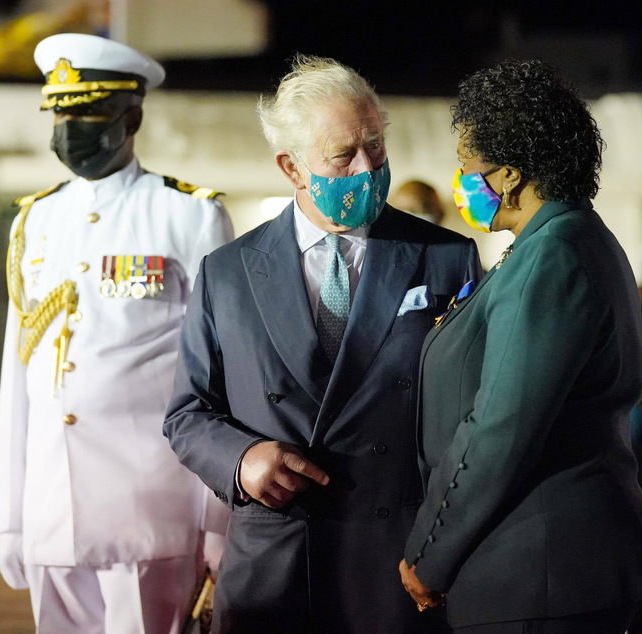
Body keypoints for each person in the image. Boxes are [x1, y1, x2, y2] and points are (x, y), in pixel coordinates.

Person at [163, 54, 481, 633]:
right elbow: (188, 413)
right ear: (291, 167)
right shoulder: (227, 273)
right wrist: (241, 461)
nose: (368, 168)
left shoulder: (446, 257)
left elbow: (474, 413)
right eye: (343, 155)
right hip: (275, 566)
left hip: (397, 565)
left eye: (376, 146)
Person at [398, 59, 642, 633]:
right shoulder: (568, 241)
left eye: (466, 167)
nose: (460, 182)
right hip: (553, 571)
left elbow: (500, 426)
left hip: (541, 575)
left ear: (508, 175)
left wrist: (430, 552)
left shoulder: (552, 257)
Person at [0, 33, 234, 634]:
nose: (71, 129)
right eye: (62, 115)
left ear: (132, 116)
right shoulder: (35, 219)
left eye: (89, 114)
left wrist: (216, 521)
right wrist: (12, 518)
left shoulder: (187, 214)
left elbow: (222, 373)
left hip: (149, 505)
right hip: (51, 503)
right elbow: (17, 378)